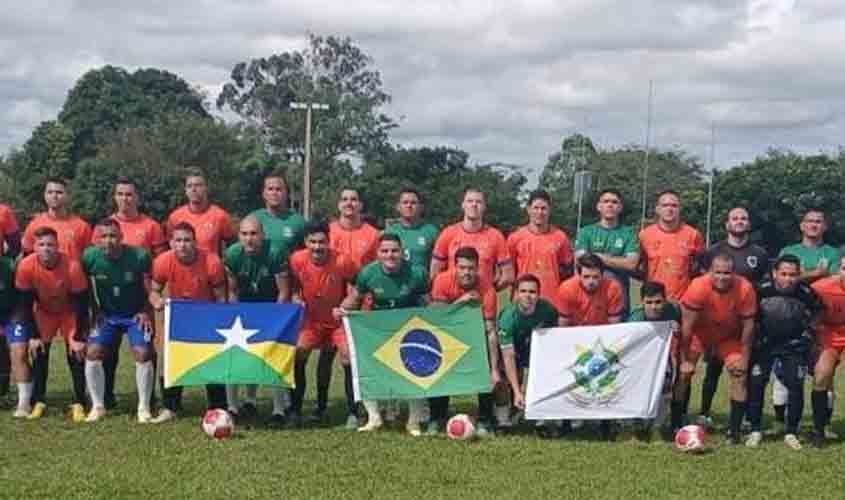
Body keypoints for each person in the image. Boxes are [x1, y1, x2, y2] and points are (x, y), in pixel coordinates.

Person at [337, 233, 430, 435]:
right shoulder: (368, 273)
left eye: (394, 251)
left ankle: (413, 421)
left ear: (402, 252)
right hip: (378, 328)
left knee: (415, 369)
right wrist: (341, 309)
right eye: (385, 251)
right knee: (365, 364)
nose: (390, 255)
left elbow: (427, 302)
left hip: (409, 328)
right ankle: (374, 417)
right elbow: (354, 298)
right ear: (378, 254)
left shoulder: (417, 273)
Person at [697, 207, 770, 428]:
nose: (739, 221)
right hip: (716, 320)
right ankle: (704, 413)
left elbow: (766, 286)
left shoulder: (759, 253)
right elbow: (703, 281)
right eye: (735, 218)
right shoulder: (714, 251)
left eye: (744, 218)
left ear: (749, 224)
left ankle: (744, 417)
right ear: (727, 224)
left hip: (747, 320)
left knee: (743, 367)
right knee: (713, 368)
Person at [672, 254, 756, 443]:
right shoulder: (698, 286)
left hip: (728, 336)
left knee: (739, 374)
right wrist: (685, 360)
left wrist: (744, 358)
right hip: (699, 334)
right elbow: (687, 327)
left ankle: (734, 431)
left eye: (727, 273)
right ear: (710, 271)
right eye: (717, 272)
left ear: (733, 273)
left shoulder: (745, 288)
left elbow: (748, 327)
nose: (722, 277)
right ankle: (676, 422)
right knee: (684, 374)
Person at [148, 222, 227, 422]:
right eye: (178, 241)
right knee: (171, 360)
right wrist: (157, 301)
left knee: (212, 362)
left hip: (207, 318)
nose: (182, 245)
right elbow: (154, 290)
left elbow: (221, 298)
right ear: (171, 243)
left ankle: (218, 408)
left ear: (195, 242)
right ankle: (170, 407)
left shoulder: (212, 262)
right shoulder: (162, 261)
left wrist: (218, 320)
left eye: (187, 240)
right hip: (180, 319)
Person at [100, 178, 167, 410]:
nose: (125, 198)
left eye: (129, 194)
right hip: (113, 301)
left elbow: (159, 264)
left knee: (148, 347)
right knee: (109, 348)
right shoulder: (105, 226)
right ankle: (106, 394)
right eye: (120, 194)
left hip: (143, 298)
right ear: (114, 197)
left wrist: (148, 305)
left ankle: (152, 397)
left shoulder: (151, 226)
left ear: (136, 197)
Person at [81, 218, 155, 423]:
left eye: (113, 235)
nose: (108, 241)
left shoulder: (139, 256)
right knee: (93, 352)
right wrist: (95, 309)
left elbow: (151, 289)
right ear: (96, 239)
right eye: (103, 236)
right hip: (109, 315)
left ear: (121, 237)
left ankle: (144, 408)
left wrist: (145, 311)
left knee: (143, 352)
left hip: (135, 315)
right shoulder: (89, 257)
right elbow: (85, 287)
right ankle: (97, 406)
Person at [745, 255, 822, 450]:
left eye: (793, 275)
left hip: (793, 346)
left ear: (799, 274)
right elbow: (746, 313)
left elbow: (819, 311)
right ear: (774, 273)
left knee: (796, 386)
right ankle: (755, 429)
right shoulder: (760, 289)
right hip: (764, 345)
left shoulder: (806, 292)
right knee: (756, 384)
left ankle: (791, 432)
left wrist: (809, 331)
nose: (788, 279)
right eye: (784, 274)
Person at [288, 220, 358, 429]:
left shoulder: (343, 261)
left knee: (347, 355)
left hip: (336, 321)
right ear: (305, 242)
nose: (317, 247)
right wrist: (295, 299)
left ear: (329, 241)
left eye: (321, 242)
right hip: (311, 321)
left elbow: (356, 289)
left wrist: (346, 304)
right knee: (298, 352)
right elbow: (292, 287)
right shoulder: (297, 260)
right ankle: (295, 410)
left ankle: (353, 412)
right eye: (312, 242)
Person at [15, 227, 90, 421]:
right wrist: (33, 335)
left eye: (50, 244)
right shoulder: (25, 266)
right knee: (39, 352)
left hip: (68, 312)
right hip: (44, 312)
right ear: (34, 247)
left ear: (58, 246)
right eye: (41, 244)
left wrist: (79, 337)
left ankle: (80, 401)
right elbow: (24, 303)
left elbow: (82, 303)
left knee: (76, 353)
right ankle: (39, 400)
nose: (46, 248)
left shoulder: (72, 266)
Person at [224, 216, 291, 425]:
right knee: (234, 353)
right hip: (245, 309)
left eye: (253, 234)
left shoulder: (275, 252)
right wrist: (235, 318)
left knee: (274, 356)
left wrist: (275, 324)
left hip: (271, 307)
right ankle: (234, 407)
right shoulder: (233, 254)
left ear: (262, 235)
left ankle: (279, 410)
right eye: (244, 234)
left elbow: (283, 293)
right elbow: (232, 291)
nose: (249, 239)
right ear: (239, 236)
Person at [780, 209, 840, 436]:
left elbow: (834, 280)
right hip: (790, 317)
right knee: (787, 368)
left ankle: (823, 422)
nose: (814, 225)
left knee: (824, 370)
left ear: (825, 227)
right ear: (801, 226)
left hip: (823, 318)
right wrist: (817, 273)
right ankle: (785, 417)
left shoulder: (833, 253)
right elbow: (784, 280)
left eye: (819, 221)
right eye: (809, 221)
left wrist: (801, 276)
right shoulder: (789, 251)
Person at [428, 246, 499, 436]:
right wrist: (461, 301)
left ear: (478, 268)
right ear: (455, 267)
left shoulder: (487, 288)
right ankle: (436, 417)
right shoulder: (442, 281)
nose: (466, 272)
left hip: (474, 339)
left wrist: (493, 369)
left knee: (485, 370)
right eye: (462, 268)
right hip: (444, 336)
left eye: (471, 268)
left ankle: (485, 419)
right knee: (437, 368)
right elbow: (436, 318)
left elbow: (490, 330)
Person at [556, 253, 625, 440]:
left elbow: (614, 326)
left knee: (607, 378)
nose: (591, 281)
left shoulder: (613, 288)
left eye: (596, 277)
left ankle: (606, 423)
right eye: (586, 277)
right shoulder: (566, 289)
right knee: (570, 378)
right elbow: (563, 326)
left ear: (603, 275)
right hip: (574, 339)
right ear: (578, 274)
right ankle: (566, 422)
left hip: (603, 339)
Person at [498, 274, 559, 435]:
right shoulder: (508, 318)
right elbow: (508, 357)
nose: (528, 295)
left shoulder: (548, 310)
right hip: (513, 351)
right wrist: (518, 391)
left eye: (532, 292)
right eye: (523, 291)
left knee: (545, 374)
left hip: (536, 350)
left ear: (539, 294)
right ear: (516, 294)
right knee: (502, 378)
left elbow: (555, 338)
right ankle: (504, 420)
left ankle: (542, 420)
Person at [627, 281, 681, 440]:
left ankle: (658, 427)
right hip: (640, 361)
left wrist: (677, 328)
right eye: (649, 302)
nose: (654, 307)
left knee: (664, 391)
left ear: (665, 300)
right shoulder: (635, 319)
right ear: (642, 302)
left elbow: (681, 333)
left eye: (658, 302)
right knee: (638, 392)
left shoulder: (672, 310)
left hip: (663, 358)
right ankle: (635, 428)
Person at [431, 187, 513, 290]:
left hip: (482, 300)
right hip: (453, 300)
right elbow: (435, 270)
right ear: (463, 205)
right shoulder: (448, 233)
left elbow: (508, 275)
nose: (474, 205)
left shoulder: (495, 236)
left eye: (478, 202)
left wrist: (489, 290)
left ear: (484, 207)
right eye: (470, 201)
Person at [575, 189, 640, 316]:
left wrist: (599, 257)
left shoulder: (629, 233)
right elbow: (581, 260)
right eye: (606, 201)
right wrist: (617, 260)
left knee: (618, 334)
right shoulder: (585, 231)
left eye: (614, 202)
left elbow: (631, 264)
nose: (610, 205)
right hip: (589, 295)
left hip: (620, 294)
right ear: (599, 206)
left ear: (620, 207)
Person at [507, 189, 573, 304]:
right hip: (523, 301)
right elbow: (510, 273)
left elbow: (567, 272)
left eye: (543, 208)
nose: (540, 212)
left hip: (552, 301)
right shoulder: (515, 238)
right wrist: (513, 296)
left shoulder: (560, 237)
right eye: (536, 208)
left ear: (549, 210)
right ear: (528, 210)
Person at [639, 190, 705, 301]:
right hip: (654, 302)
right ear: (657, 209)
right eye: (665, 205)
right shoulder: (645, 235)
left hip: (684, 301)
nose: (669, 209)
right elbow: (640, 268)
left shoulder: (693, 235)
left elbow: (700, 268)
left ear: (680, 209)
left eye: (674, 206)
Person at [809, 253, 845, 447]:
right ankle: (819, 429)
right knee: (822, 374)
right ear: (839, 270)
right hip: (830, 332)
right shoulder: (822, 288)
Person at [166, 168, 235, 256]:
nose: (193, 189)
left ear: (206, 188)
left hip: (209, 268)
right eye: (189, 186)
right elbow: (169, 249)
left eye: (198, 185)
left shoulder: (220, 216)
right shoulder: (175, 217)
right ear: (185, 191)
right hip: (183, 269)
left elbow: (233, 247)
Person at [22, 178, 92, 261]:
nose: (54, 196)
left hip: (72, 273)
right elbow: (27, 255)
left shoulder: (82, 227)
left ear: (67, 196)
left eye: (59, 192)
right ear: (45, 195)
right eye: (50, 192)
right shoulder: (34, 225)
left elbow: (89, 259)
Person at [2, 253, 32, 417]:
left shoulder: (11, 267)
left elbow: (24, 295)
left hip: (13, 315)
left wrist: (18, 316)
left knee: (19, 352)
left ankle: (24, 403)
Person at [250, 171, 306, 256]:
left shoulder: (299, 222)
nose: (274, 193)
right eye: (270, 189)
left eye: (278, 189)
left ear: (286, 193)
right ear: (264, 194)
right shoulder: (252, 219)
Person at [384, 188, 439, 272]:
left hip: (422, 283)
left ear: (421, 207)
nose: (409, 206)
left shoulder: (431, 232)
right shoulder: (389, 231)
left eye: (413, 203)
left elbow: (439, 262)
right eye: (405, 202)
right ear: (398, 207)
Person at [0, 202, 20, 397]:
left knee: (3, 342)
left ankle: (3, 388)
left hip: (2, 271)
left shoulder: (4, 211)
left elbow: (15, 246)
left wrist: (5, 263)